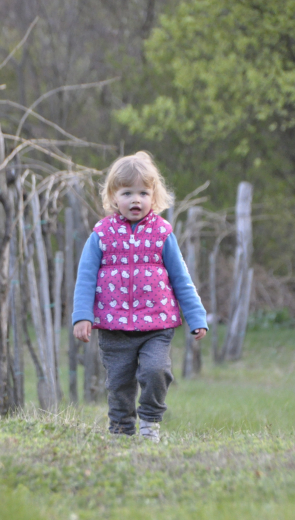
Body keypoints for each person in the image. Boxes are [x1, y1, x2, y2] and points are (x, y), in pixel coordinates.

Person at [72, 151, 208, 443]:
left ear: (154, 196)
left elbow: (181, 279)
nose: (136, 199)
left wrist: (197, 316)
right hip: (113, 326)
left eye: (144, 193)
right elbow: (85, 277)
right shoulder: (101, 235)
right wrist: (82, 316)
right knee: (119, 383)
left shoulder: (162, 234)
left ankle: (150, 422)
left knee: (156, 370)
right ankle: (121, 430)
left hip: (156, 326)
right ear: (113, 196)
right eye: (127, 192)